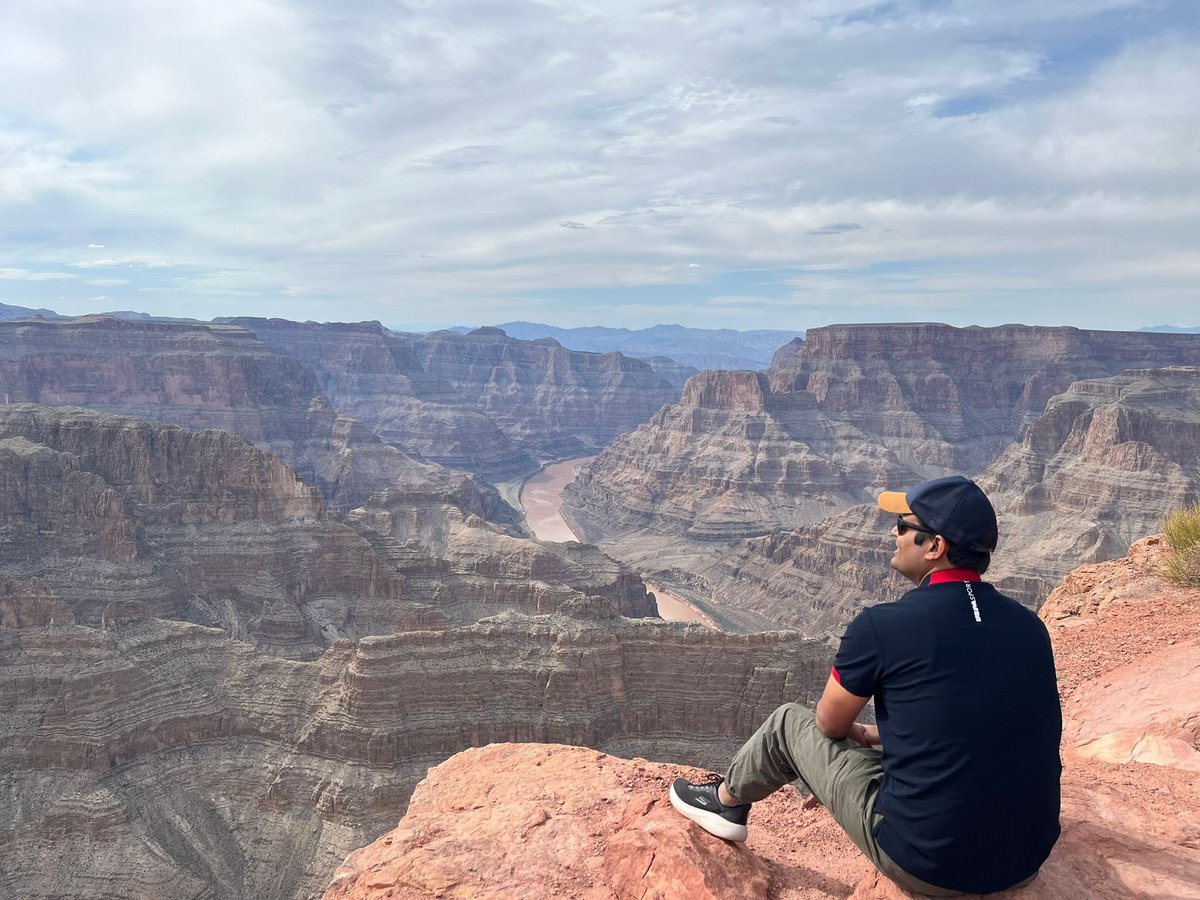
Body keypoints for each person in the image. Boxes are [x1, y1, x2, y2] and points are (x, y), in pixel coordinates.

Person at [669, 476, 1062, 896]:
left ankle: (725, 803)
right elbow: (979, 720)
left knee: (787, 721)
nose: (893, 533)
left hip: (930, 865)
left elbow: (828, 724)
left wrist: (852, 741)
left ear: (934, 547)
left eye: (903, 524)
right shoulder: (1029, 626)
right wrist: (877, 736)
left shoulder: (883, 625)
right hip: (1024, 861)